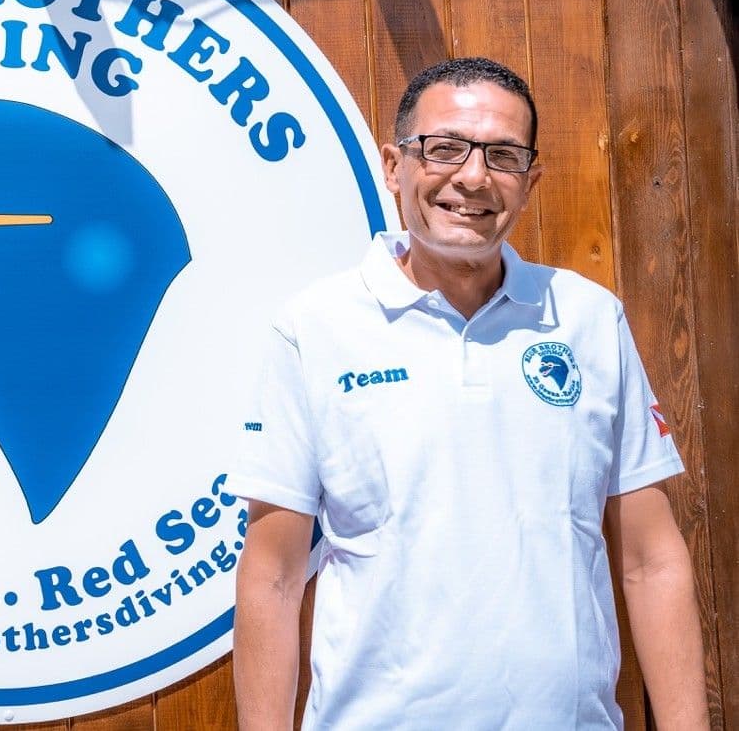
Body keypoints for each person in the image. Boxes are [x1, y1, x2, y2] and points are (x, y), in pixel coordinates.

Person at [226, 58, 709, 729]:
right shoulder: (315, 329)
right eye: (445, 147)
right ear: (394, 167)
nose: (474, 176)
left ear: (530, 182)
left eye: (503, 155)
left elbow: (652, 562)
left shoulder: (590, 320)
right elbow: (273, 577)